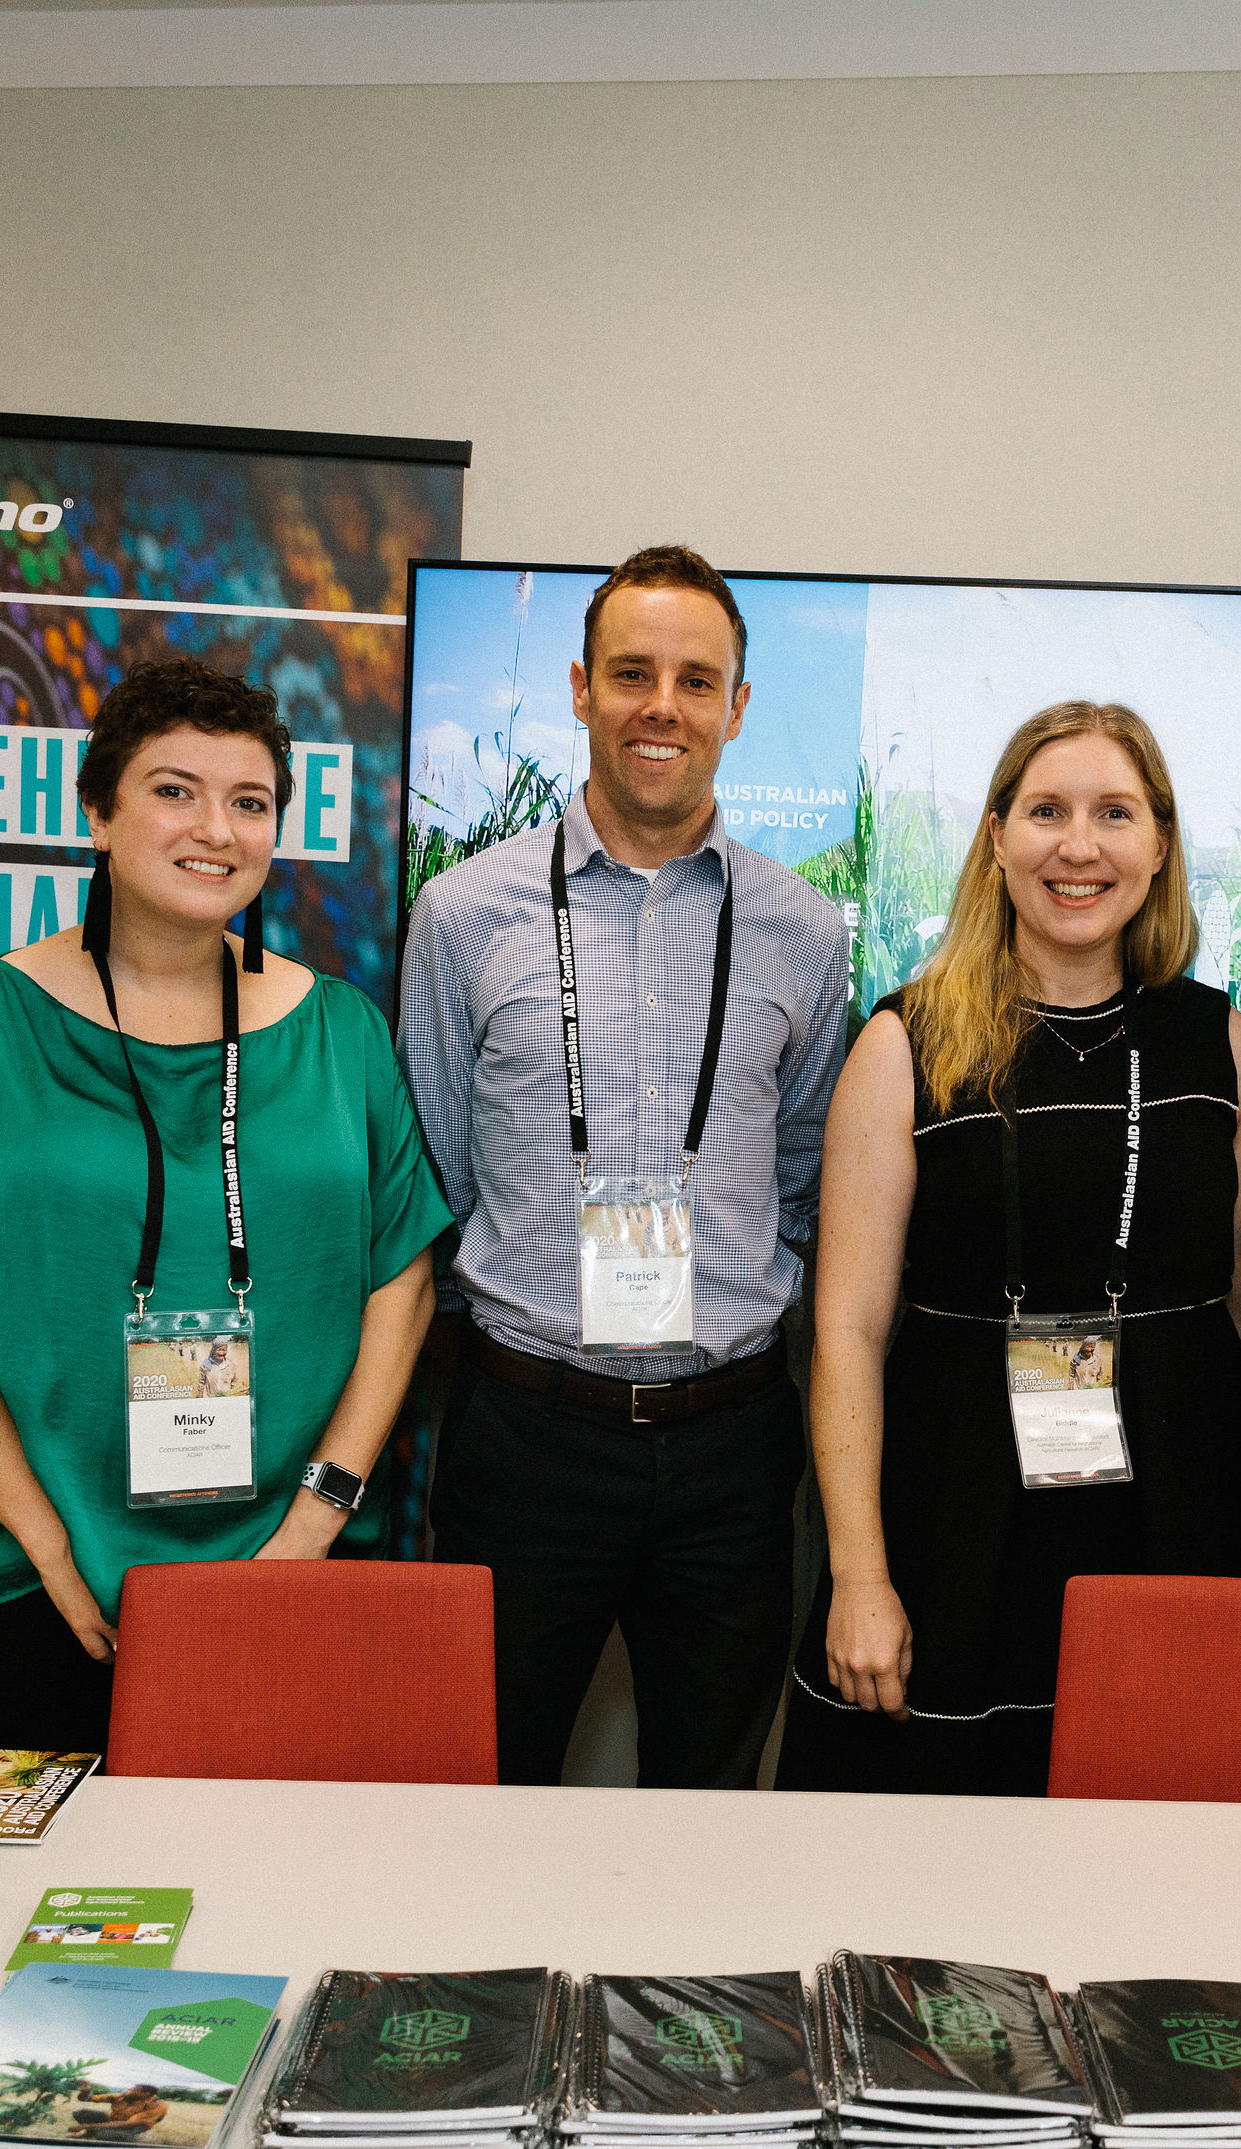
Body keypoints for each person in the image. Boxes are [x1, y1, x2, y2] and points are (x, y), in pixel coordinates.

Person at [0, 657, 450, 1756]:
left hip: (290, 1573)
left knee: (279, 1904)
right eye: (175, 790)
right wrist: (47, 1543)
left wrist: (315, 1524)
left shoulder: (341, 1033)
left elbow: (400, 1284)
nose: (216, 828)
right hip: (24, 1576)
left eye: (249, 803)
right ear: (98, 814)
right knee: (37, 1913)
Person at [399, 546, 854, 1793]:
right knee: (482, 1788)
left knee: (709, 1802)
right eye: (633, 674)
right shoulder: (463, 916)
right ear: (581, 689)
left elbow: (802, 1174)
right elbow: (437, 1171)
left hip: (732, 1448)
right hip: (526, 1436)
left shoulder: (805, 933)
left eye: (696, 680)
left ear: (738, 708)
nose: (664, 706)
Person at [782, 699, 1241, 1797]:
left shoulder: (1218, 1041)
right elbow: (849, 1328)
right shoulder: (905, 1042)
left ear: (1158, 847)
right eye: (1047, 811)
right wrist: (858, 1575)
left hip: (1180, 1508)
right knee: (934, 1861)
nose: (1079, 846)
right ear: (998, 839)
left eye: (1115, 813)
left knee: (1170, 1837)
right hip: (958, 1515)